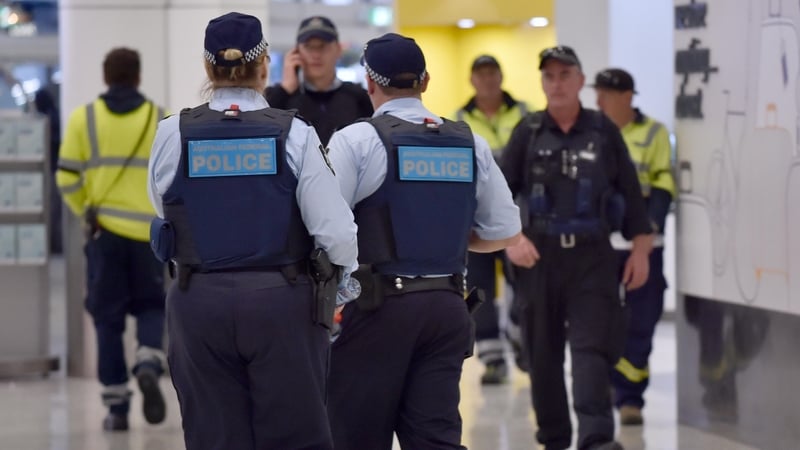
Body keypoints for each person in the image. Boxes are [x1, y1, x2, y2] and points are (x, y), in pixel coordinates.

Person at [147, 12, 358, 450]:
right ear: (264, 66)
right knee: (295, 435)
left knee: (213, 435)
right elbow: (334, 230)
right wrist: (342, 283)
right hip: (282, 304)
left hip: (197, 302)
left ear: (208, 69)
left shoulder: (173, 133)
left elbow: (165, 206)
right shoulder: (295, 134)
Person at [326, 33, 522, 450]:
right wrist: (445, 238)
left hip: (378, 309)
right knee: (435, 438)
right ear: (425, 82)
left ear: (370, 83)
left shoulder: (356, 141)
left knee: (355, 435)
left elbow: (325, 229)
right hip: (447, 309)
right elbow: (504, 233)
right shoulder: (470, 142)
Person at [500, 46, 655, 450]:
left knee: (592, 349)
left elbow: (633, 200)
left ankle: (596, 438)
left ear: (581, 81)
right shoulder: (528, 132)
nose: (557, 83)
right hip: (539, 257)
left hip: (593, 257)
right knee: (543, 355)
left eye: (565, 74)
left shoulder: (604, 131)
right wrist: (513, 241)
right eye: (549, 76)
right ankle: (553, 438)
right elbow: (497, 196)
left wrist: (641, 251)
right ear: (542, 83)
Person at [56, 47, 168, 432]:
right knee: (153, 306)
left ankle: (117, 408)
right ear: (138, 76)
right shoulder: (159, 117)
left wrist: (86, 209)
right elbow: (171, 176)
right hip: (149, 236)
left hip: (105, 235)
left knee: (108, 319)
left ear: (106, 76)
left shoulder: (83, 119)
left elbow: (66, 176)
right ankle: (150, 362)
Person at [593, 68, 676, 426]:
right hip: (600, 245)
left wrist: (650, 227)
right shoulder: (590, 132)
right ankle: (613, 387)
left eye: (606, 94)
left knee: (643, 318)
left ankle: (630, 396)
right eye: (597, 94)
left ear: (627, 96)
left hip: (644, 243)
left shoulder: (654, 132)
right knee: (601, 320)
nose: (598, 101)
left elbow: (663, 181)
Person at [454, 54, 529, 384]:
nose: (486, 80)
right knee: (481, 287)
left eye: (491, 73)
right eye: (480, 74)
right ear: (472, 79)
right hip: (477, 220)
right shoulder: (459, 120)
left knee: (524, 283)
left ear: (501, 76)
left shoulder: (525, 115)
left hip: (518, 220)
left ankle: (520, 334)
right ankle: (492, 358)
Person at [265, 15, 373, 145]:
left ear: (338, 50)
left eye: (323, 46)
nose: (316, 55)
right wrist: (285, 89)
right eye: (309, 47)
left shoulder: (359, 97)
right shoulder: (281, 98)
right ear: (296, 52)